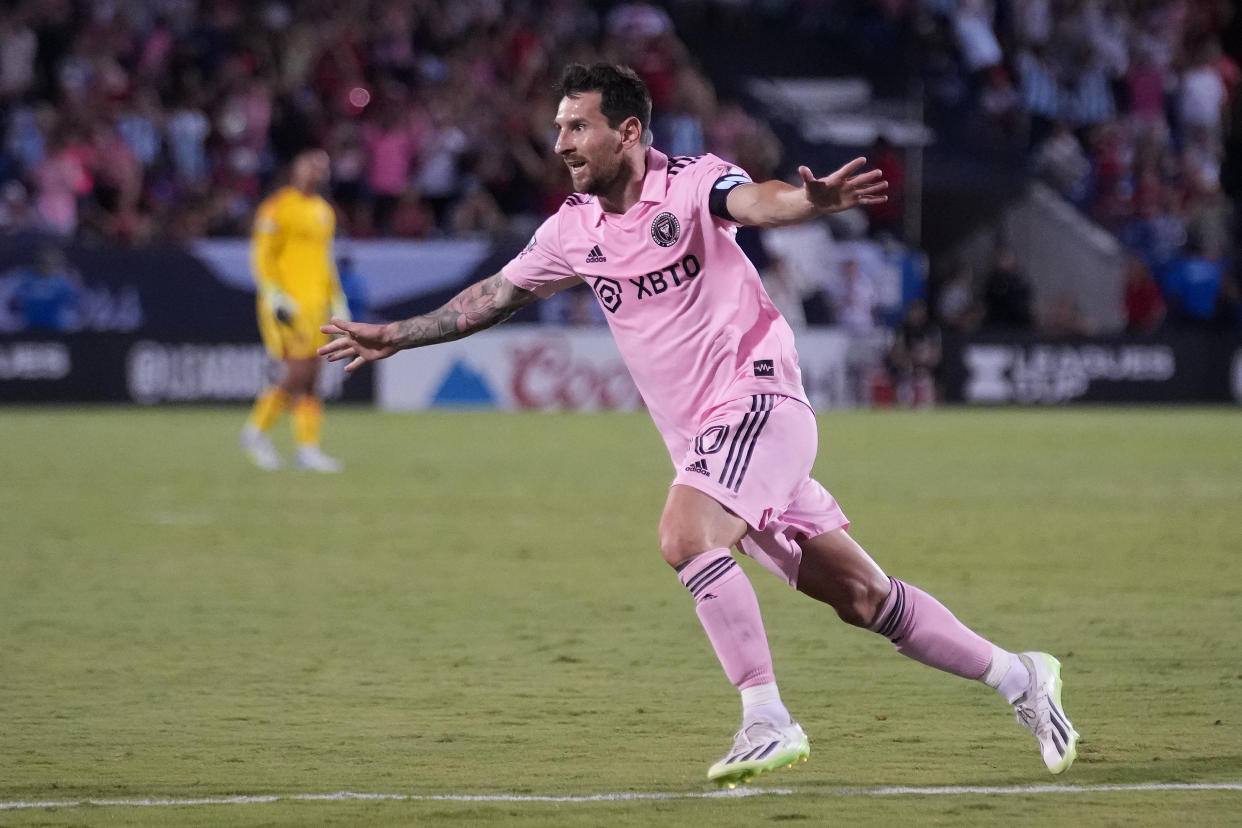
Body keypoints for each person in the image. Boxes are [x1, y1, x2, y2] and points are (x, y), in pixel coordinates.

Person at [319, 64, 1078, 786]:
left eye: (576, 128)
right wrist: (399, 334)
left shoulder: (692, 183)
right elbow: (491, 296)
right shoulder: (571, 229)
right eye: (558, 128)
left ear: (627, 131)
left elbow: (759, 202)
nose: (560, 145)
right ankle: (1021, 677)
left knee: (684, 535)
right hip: (716, 447)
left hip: (759, 404)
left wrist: (808, 203)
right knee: (863, 599)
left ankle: (767, 717)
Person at [240, 148, 347, 472]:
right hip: (288, 304)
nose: (316, 171)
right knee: (298, 370)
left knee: (312, 377)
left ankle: (308, 448)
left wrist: (338, 299)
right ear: (295, 169)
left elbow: (324, 261)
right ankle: (255, 430)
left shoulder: (324, 211)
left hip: (316, 304)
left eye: (322, 167)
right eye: (310, 164)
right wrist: (274, 296)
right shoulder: (277, 207)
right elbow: (262, 256)